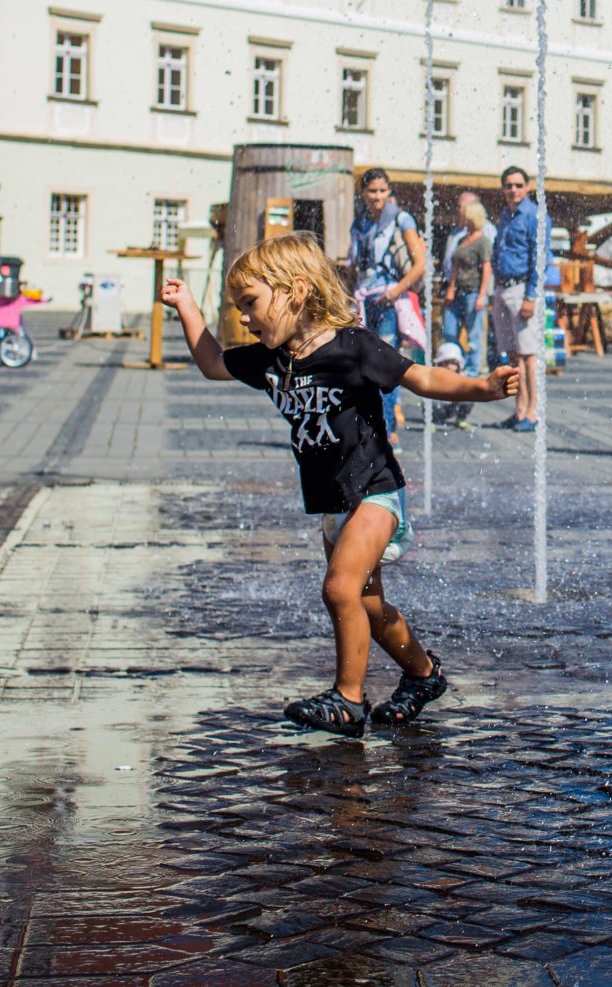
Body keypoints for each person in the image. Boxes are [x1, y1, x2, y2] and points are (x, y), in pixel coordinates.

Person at [162, 234, 517, 738]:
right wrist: (186, 306)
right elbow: (213, 363)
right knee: (368, 607)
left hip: (377, 493)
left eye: (251, 304)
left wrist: (483, 388)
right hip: (334, 505)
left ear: (296, 291)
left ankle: (348, 700)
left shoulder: (354, 346)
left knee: (339, 588)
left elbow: (421, 379)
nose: (244, 318)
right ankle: (422, 674)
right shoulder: (274, 360)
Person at [346, 169, 430, 442]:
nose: (378, 196)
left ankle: (386, 428)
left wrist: (396, 291)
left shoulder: (401, 219)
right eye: (372, 191)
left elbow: (420, 265)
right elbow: (354, 264)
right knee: (361, 364)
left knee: (385, 363)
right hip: (365, 299)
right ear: (363, 193)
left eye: (383, 190)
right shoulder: (359, 223)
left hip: (389, 301)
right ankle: (370, 425)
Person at [488, 167, 546, 433]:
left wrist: (531, 296)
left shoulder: (534, 215)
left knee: (528, 356)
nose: (514, 190)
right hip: (503, 289)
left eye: (519, 185)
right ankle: (519, 409)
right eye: (509, 185)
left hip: (522, 289)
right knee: (512, 355)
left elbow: (540, 258)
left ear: (528, 187)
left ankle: (532, 412)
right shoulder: (505, 214)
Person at [442, 191, 493, 370]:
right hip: (457, 292)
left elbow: (487, 268)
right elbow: (455, 266)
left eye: (464, 211)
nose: (460, 213)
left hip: (473, 292)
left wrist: (482, 295)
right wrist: (451, 287)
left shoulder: (483, 241)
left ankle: (472, 370)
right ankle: (453, 365)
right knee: (449, 330)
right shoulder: (462, 238)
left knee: (474, 334)